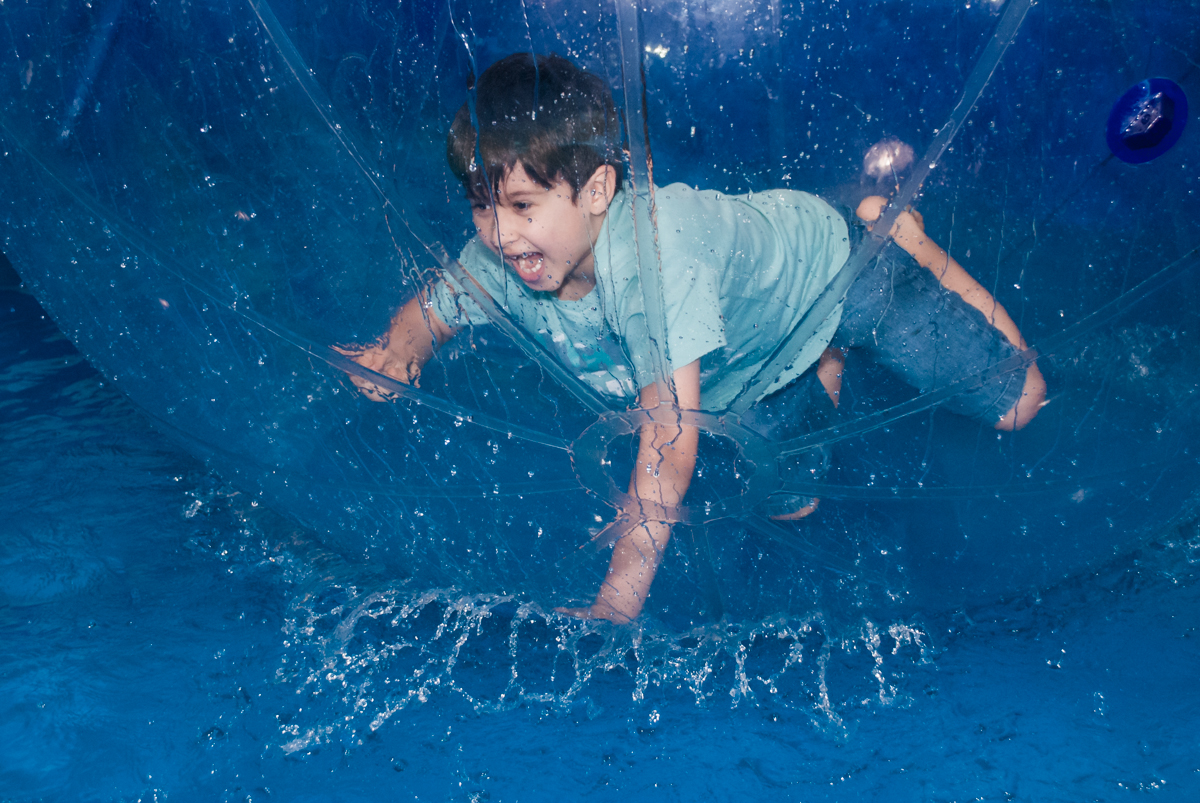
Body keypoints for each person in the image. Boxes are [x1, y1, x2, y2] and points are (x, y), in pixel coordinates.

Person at [347, 53, 1047, 623]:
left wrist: (615, 603)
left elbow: (667, 441)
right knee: (797, 502)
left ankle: (901, 237)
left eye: (523, 206)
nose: (499, 233)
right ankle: (818, 360)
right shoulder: (503, 260)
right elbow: (431, 309)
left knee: (1022, 403)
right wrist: (399, 349)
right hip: (746, 365)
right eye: (481, 206)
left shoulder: (657, 264)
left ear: (596, 192)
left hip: (834, 273)